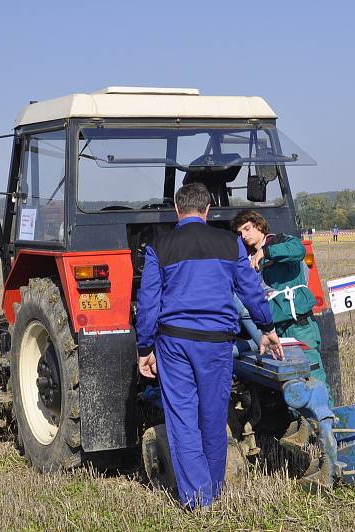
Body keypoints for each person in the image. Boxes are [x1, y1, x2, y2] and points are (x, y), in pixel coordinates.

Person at [136, 183, 283, 509]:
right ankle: (214, 492)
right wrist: (267, 328)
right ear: (207, 211)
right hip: (217, 343)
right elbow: (251, 291)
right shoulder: (230, 244)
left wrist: (144, 348)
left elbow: (148, 304)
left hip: (173, 344)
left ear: (177, 210)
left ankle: (198, 499)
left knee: (183, 419)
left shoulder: (159, 246)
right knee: (213, 418)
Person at [231, 210, 332, 403]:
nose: (244, 235)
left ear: (259, 225)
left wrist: (266, 252)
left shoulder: (279, 242)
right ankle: (302, 428)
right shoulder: (246, 260)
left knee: (313, 378)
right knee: (290, 385)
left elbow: (299, 251)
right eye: (240, 232)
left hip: (298, 325)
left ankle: (327, 426)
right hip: (275, 330)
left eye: (247, 228)